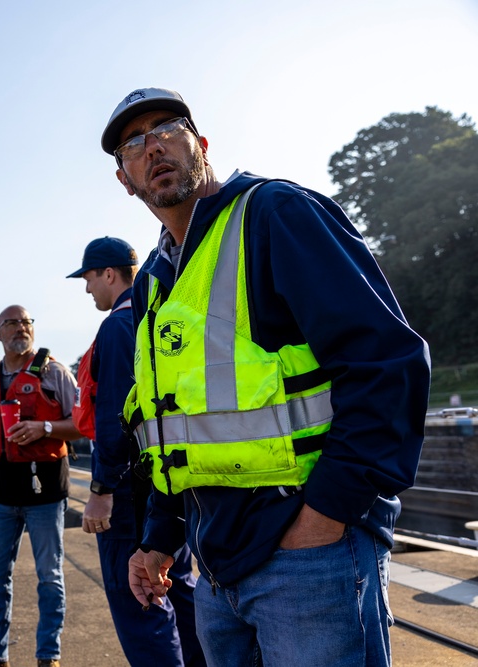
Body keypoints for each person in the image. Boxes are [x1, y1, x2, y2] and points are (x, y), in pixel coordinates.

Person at [101, 88, 431, 666]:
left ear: (202, 144)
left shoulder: (276, 214)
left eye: (166, 128)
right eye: (133, 143)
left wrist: (324, 518)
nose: (152, 147)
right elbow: (173, 426)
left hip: (309, 557)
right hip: (215, 566)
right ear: (125, 180)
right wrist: (160, 538)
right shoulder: (154, 279)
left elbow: (387, 365)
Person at [67, 237, 204, 667]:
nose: (87, 287)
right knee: (179, 589)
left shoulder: (116, 327)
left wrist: (101, 489)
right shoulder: (158, 317)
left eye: (89, 278)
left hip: (128, 494)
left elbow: (115, 417)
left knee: (139, 599)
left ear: (109, 274)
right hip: (169, 485)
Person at [0, 305, 81, 667]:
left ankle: (48, 656)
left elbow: (82, 424)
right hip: (0, 495)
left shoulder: (54, 372)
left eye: (26, 322)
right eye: (11, 323)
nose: (20, 328)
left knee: (50, 577)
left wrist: (44, 428)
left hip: (45, 492)